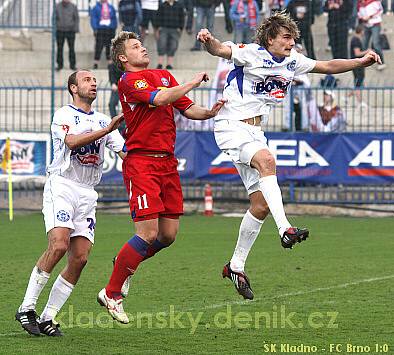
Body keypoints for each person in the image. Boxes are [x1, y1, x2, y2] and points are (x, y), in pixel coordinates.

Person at [197, 10, 381, 299]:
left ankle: (236, 265)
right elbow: (220, 49)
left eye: (294, 38)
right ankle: (285, 229)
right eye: (286, 37)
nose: (292, 42)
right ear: (270, 38)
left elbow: (328, 65)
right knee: (268, 160)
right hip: (231, 126)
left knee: (260, 205)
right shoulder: (252, 54)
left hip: (255, 132)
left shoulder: (293, 61)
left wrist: (360, 61)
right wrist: (208, 40)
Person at [96, 31, 226, 323]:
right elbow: (160, 99)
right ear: (122, 58)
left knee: (168, 236)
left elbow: (187, 107)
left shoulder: (163, 75)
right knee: (148, 234)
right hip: (142, 162)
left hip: (167, 163)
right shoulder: (129, 81)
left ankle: (124, 263)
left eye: (141, 44)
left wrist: (210, 112)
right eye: (134, 46)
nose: (142, 48)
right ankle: (112, 292)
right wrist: (191, 81)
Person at [15, 70, 125, 336]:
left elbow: (125, 152)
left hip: (88, 192)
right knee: (59, 245)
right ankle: (26, 308)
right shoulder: (64, 115)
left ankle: (47, 317)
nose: (94, 83)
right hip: (62, 185)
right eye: (87, 80)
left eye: (95, 80)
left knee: (80, 258)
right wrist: (107, 129)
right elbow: (73, 141)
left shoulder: (101, 119)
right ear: (74, 88)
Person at [156, 0, 185, 69]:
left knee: (173, 46)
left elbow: (182, 17)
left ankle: (169, 64)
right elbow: (158, 17)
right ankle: (160, 64)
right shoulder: (162, 5)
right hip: (164, 28)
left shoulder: (179, 5)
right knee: (161, 45)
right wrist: (157, 28)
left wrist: (181, 28)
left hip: (175, 29)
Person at [358, 0, 386, 70]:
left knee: (376, 43)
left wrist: (370, 17)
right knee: (364, 44)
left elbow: (380, 10)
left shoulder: (375, 1)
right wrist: (362, 18)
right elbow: (358, 13)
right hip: (366, 25)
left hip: (375, 24)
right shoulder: (360, 3)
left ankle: (381, 62)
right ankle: (365, 61)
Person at [90, 0, 118, 69]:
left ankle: (110, 63)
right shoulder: (96, 7)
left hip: (110, 29)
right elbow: (94, 18)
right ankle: (96, 62)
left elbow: (114, 18)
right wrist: (95, 28)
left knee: (110, 46)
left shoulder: (111, 7)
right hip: (100, 29)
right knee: (99, 46)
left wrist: (114, 26)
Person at [348, 24, 369, 106]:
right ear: (361, 31)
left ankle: (347, 97)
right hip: (356, 65)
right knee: (358, 83)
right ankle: (359, 102)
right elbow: (357, 53)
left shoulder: (356, 39)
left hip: (358, 65)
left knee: (359, 83)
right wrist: (367, 51)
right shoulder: (355, 40)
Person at [55, 0, 79, 71]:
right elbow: (54, 18)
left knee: (71, 48)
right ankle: (60, 65)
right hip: (60, 31)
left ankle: (72, 65)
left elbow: (76, 18)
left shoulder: (73, 6)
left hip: (71, 31)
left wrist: (75, 29)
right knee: (60, 48)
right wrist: (56, 28)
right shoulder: (57, 6)